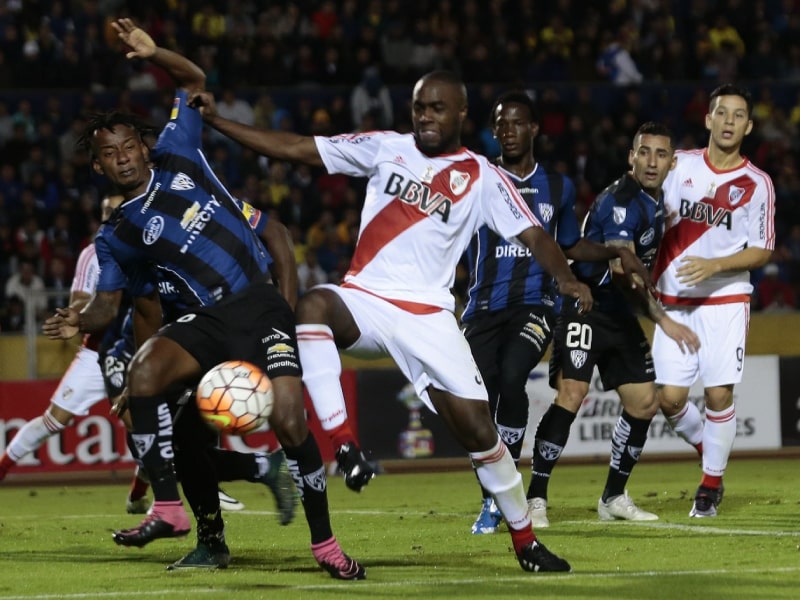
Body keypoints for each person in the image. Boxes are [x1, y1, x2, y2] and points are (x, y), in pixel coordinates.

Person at [190, 69, 621, 573]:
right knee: (313, 306)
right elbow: (298, 148)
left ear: (461, 114)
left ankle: (525, 541)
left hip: (429, 316)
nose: (425, 117)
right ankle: (345, 446)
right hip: (366, 299)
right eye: (419, 107)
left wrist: (566, 278)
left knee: (480, 432)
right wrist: (217, 120)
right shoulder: (383, 146)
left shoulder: (481, 175)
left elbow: (534, 235)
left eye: (437, 108)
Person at [42, 20, 362, 579]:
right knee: (148, 388)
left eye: (126, 146)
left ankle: (325, 545)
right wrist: (79, 318)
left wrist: (152, 52)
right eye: (108, 154)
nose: (121, 157)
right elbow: (112, 306)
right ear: (96, 167)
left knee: (289, 422)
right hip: (200, 323)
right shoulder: (115, 234)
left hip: (255, 303)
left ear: (142, 145)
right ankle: (187, 523)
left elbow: (193, 78)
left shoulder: (178, 148)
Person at [461, 91, 654, 534]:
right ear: (494, 131)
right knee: (481, 404)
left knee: (513, 377)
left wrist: (613, 253)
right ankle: (491, 498)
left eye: (517, 122)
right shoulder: (477, 180)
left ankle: (503, 501)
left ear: (534, 129)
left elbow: (569, 245)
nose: (508, 130)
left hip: (535, 304)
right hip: (482, 308)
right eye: (500, 123)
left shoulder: (558, 187)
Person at [529, 122, 701, 527]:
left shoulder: (656, 202)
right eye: (644, 152)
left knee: (644, 402)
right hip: (586, 304)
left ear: (672, 162)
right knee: (571, 394)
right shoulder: (621, 201)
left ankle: (613, 497)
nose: (652, 161)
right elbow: (624, 272)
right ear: (631, 156)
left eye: (661, 154)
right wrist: (664, 321)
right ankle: (535, 498)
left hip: (618, 312)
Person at [651, 84, 775, 518]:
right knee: (668, 399)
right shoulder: (677, 164)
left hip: (725, 297)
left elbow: (762, 250)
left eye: (738, 115)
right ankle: (710, 449)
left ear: (748, 126)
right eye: (721, 113)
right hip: (673, 300)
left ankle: (710, 484)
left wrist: (716, 265)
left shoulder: (757, 184)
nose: (728, 121)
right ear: (708, 119)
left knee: (719, 394)